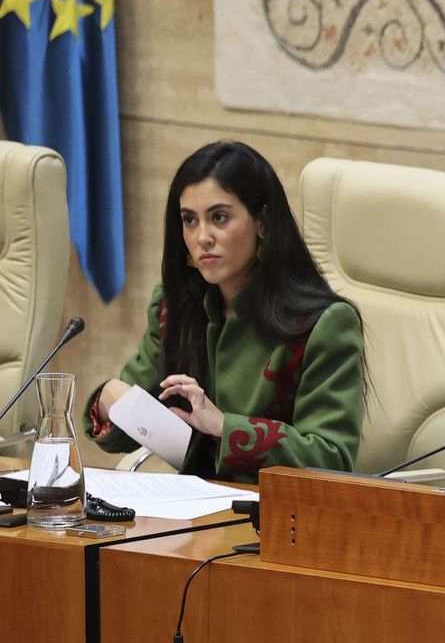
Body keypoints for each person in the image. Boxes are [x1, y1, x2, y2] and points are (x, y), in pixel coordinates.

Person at [85, 141, 364, 481]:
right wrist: (110, 400)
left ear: (262, 221)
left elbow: (330, 458)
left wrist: (223, 426)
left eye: (219, 217)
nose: (202, 237)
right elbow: (134, 421)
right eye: (190, 220)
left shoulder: (321, 324)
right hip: (193, 512)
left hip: (277, 521)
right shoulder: (174, 308)